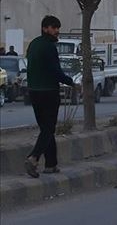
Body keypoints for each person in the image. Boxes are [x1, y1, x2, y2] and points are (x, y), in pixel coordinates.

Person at [24, 15, 74, 178]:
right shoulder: (49, 47)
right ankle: (33, 158)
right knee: (48, 128)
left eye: (58, 28)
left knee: (46, 128)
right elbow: (55, 72)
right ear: (45, 28)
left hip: (33, 91)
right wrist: (71, 82)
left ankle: (51, 164)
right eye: (54, 28)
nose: (57, 31)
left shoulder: (33, 44)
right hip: (49, 92)